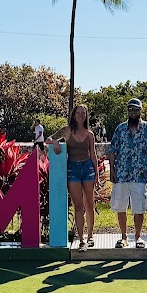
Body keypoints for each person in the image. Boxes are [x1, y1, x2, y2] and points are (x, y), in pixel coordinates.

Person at [108, 98, 147, 249]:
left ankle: (138, 237)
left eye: (136, 109)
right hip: (121, 174)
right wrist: (112, 170)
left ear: (141, 111)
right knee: (120, 206)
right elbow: (113, 150)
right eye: (130, 109)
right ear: (127, 111)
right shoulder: (120, 129)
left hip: (139, 175)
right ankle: (123, 238)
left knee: (139, 208)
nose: (133, 112)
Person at [46, 105, 99, 252]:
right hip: (72, 169)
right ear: (74, 114)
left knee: (89, 204)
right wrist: (56, 142)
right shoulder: (67, 130)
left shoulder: (90, 134)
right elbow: (48, 139)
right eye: (78, 113)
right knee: (78, 206)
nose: (80, 115)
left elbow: (93, 155)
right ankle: (81, 240)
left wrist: (97, 175)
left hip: (87, 168)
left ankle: (90, 236)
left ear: (86, 115)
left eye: (83, 113)